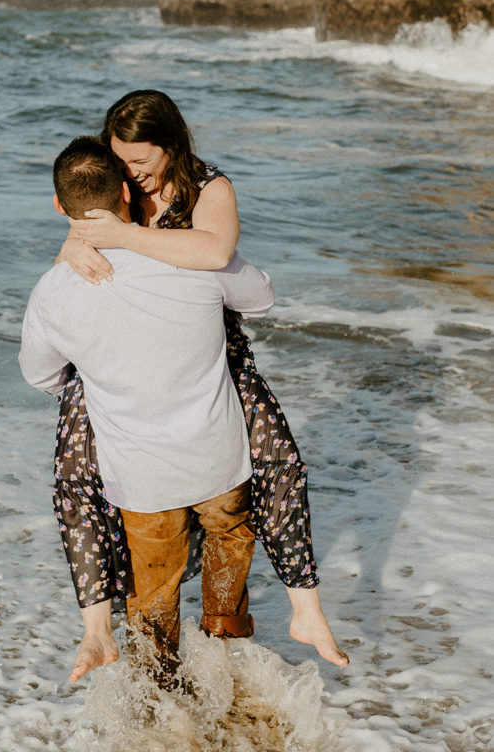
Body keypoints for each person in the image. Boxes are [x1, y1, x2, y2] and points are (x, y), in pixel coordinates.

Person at [54, 90, 348, 680]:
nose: (131, 175)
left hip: (209, 349)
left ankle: (305, 608)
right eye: (122, 161)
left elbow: (216, 250)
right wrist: (75, 243)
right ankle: (100, 630)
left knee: (280, 458)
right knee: (73, 471)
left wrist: (125, 237)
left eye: (142, 161)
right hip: (126, 358)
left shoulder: (209, 187)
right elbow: (78, 226)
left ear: (173, 145)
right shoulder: (119, 187)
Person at [19, 136, 277, 685]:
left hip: (140, 476)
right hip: (219, 456)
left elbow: (41, 376)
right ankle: (225, 643)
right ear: (129, 197)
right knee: (229, 537)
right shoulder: (192, 261)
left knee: (154, 586)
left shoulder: (54, 290)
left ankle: (161, 696)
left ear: (60, 209)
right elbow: (261, 296)